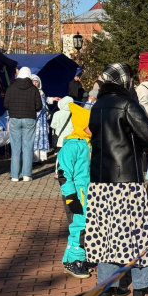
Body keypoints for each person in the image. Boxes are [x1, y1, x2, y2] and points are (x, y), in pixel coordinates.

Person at [85, 62, 148, 296]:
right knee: (137, 231)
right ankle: (143, 283)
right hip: (126, 178)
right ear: (124, 81)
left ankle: (107, 285)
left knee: (106, 232)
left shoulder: (97, 105)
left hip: (99, 179)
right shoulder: (127, 104)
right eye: (130, 79)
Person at [57, 102, 93, 279]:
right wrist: (71, 197)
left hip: (87, 193)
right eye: (91, 125)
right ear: (82, 125)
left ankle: (72, 258)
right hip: (76, 195)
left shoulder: (88, 144)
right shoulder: (72, 146)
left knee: (85, 225)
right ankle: (74, 260)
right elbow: (63, 174)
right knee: (79, 227)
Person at [4, 67, 42, 182]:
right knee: (28, 147)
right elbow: (39, 106)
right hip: (29, 119)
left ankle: (15, 175)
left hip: (14, 119)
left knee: (15, 148)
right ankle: (27, 175)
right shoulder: (34, 89)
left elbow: (5, 104)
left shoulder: (11, 88)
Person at [31, 74, 54, 163]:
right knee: (35, 137)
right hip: (35, 118)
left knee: (43, 136)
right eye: (33, 82)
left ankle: (42, 157)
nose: (35, 83)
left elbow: (44, 101)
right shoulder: (30, 92)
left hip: (42, 119)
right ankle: (35, 158)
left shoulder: (41, 92)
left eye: (36, 82)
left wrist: (52, 99)